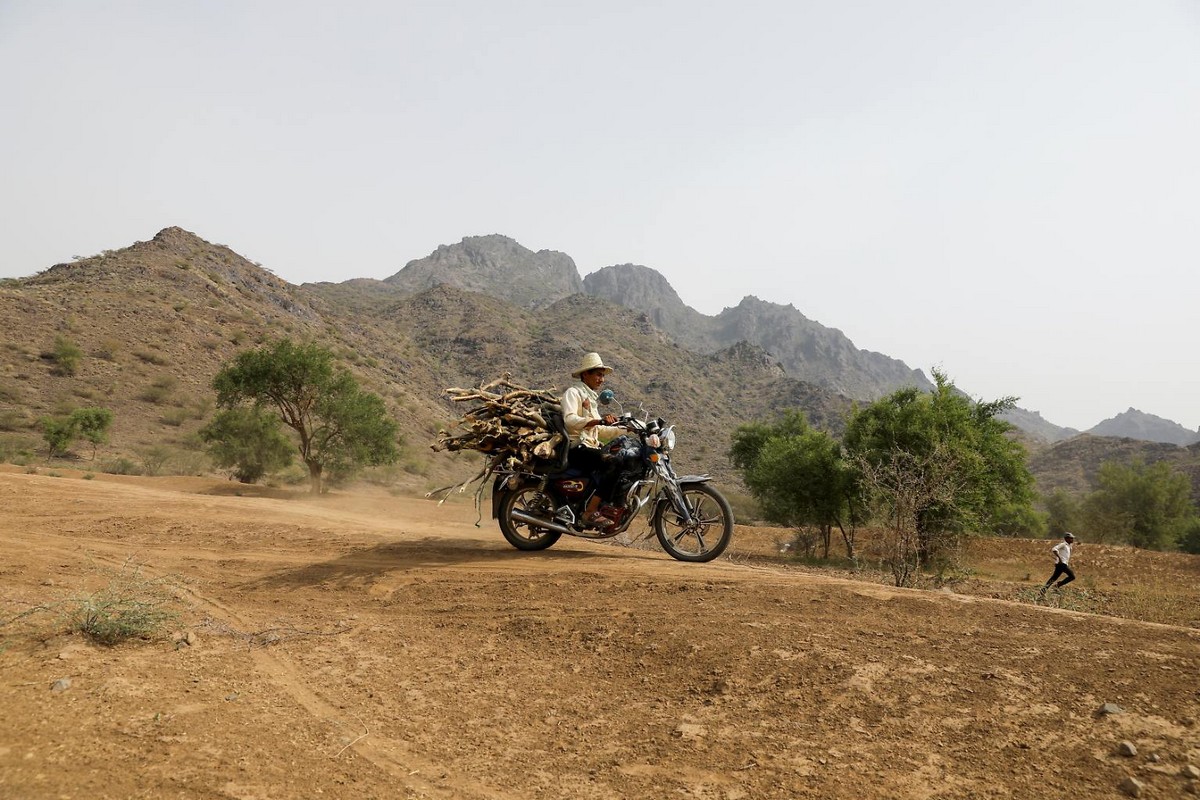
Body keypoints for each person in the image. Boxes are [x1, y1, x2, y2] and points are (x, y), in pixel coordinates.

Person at [560, 352, 625, 528]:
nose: (601, 379)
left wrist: (625, 429)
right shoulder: (573, 393)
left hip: (591, 446)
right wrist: (597, 420)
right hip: (576, 448)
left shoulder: (591, 398)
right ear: (585, 374)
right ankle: (589, 512)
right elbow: (570, 420)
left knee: (624, 459)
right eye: (598, 374)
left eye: (602, 375)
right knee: (614, 463)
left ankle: (608, 505)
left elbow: (600, 430)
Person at [1039, 532, 1077, 597]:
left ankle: (1043, 591)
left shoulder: (1068, 546)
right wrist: (1059, 559)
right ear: (1066, 539)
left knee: (1053, 578)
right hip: (1062, 564)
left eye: (1072, 538)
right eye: (1071, 538)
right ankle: (1057, 585)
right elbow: (1054, 549)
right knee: (1072, 576)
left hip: (1063, 564)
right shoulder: (1063, 544)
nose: (1072, 540)